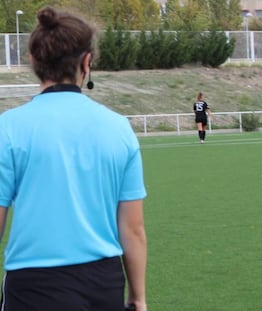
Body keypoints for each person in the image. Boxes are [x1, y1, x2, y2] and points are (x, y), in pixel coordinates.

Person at [0, 7, 147, 311]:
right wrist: (138, 298)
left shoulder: (8, 128)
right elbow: (132, 229)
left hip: (31, 287)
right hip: (103, 285)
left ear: (34, 61)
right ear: (87, 61)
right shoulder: (119, 128)